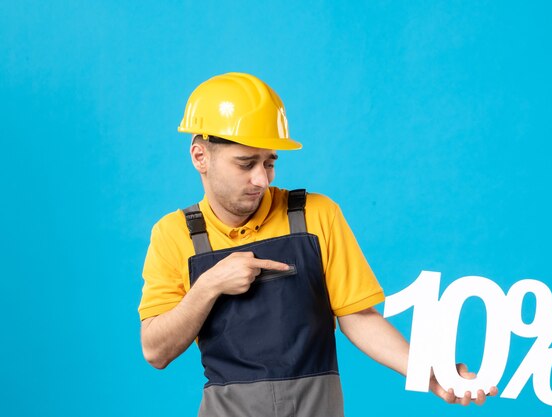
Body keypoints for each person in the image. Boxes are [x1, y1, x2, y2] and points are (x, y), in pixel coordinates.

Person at [139, 72, 497, 417]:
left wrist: (429, 371)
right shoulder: (173, 235)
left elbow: (359, 318)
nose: (261, 179)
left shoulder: (316, 215)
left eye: (269, 162)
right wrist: (210, 285)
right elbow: (156, 350)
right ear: (200, 157)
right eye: (246, 163)